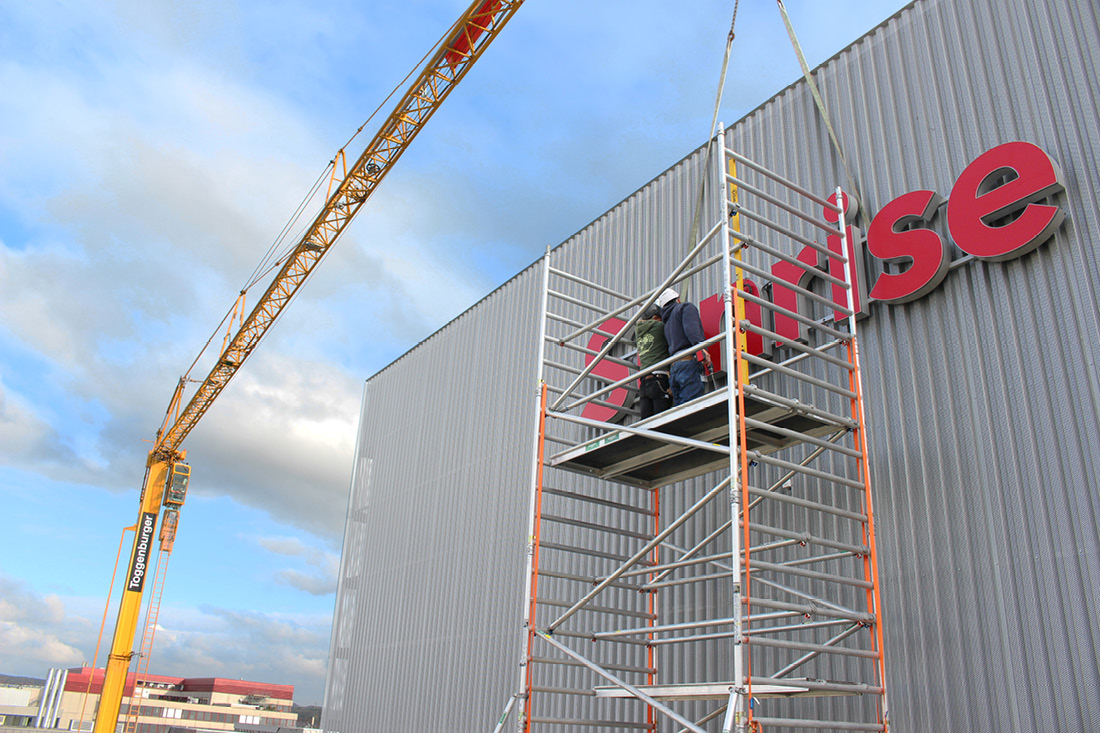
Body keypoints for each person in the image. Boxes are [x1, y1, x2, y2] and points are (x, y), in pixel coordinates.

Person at [657, 287, 712, 406]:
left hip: (674, 368)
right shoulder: (685, 308)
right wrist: (701, 349)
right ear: (677, 299)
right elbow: (691, 330)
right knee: (692, 408)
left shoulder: (666, 324)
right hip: (688, 363)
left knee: (681, 411)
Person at [634, 305, 671, 418]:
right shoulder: (660, 327)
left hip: (644, 383)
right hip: (659, 379)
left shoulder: (638, 331)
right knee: (662, 421)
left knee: (647, 423)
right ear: (656, 317)